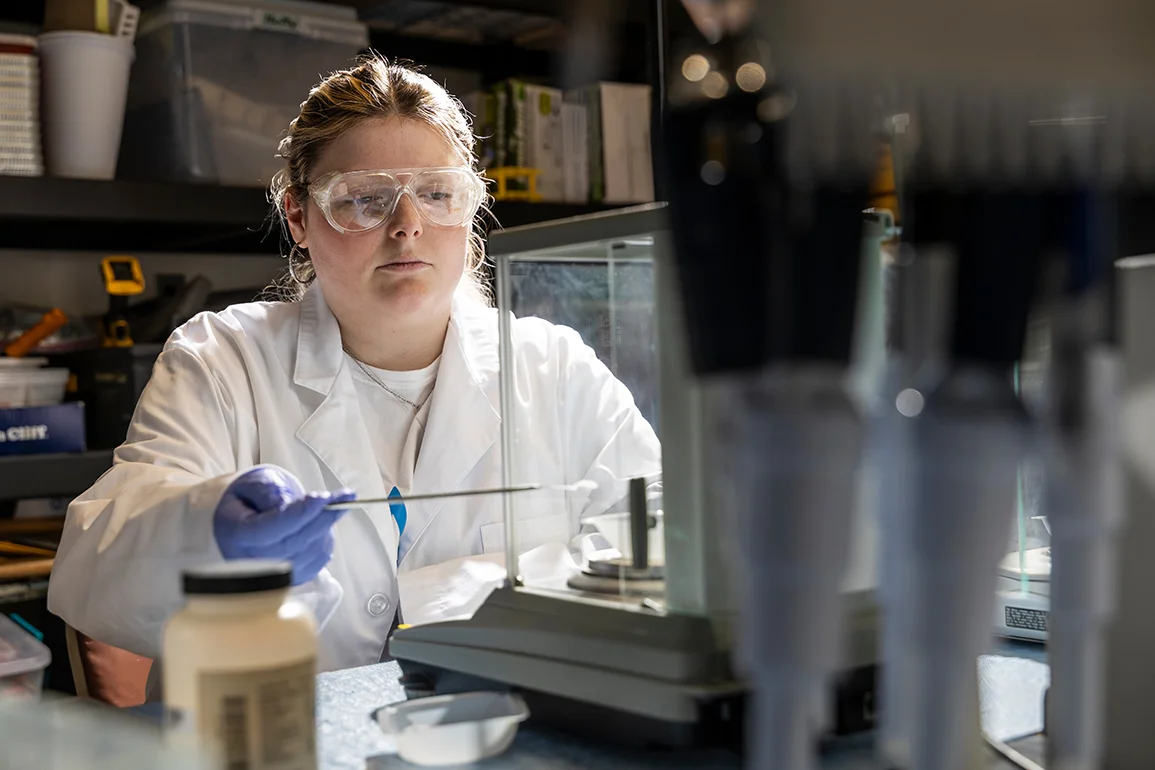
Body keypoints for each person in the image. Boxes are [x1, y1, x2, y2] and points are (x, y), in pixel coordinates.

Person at [46, 55, 661, 683]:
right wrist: (207, 528)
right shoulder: (223, 359)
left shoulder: (551, 367)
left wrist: (448, 598)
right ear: (298, 217)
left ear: (468, 207)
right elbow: (94, 563)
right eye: (364, 199)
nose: (408, 226)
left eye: (436, 194)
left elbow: (666, 535)